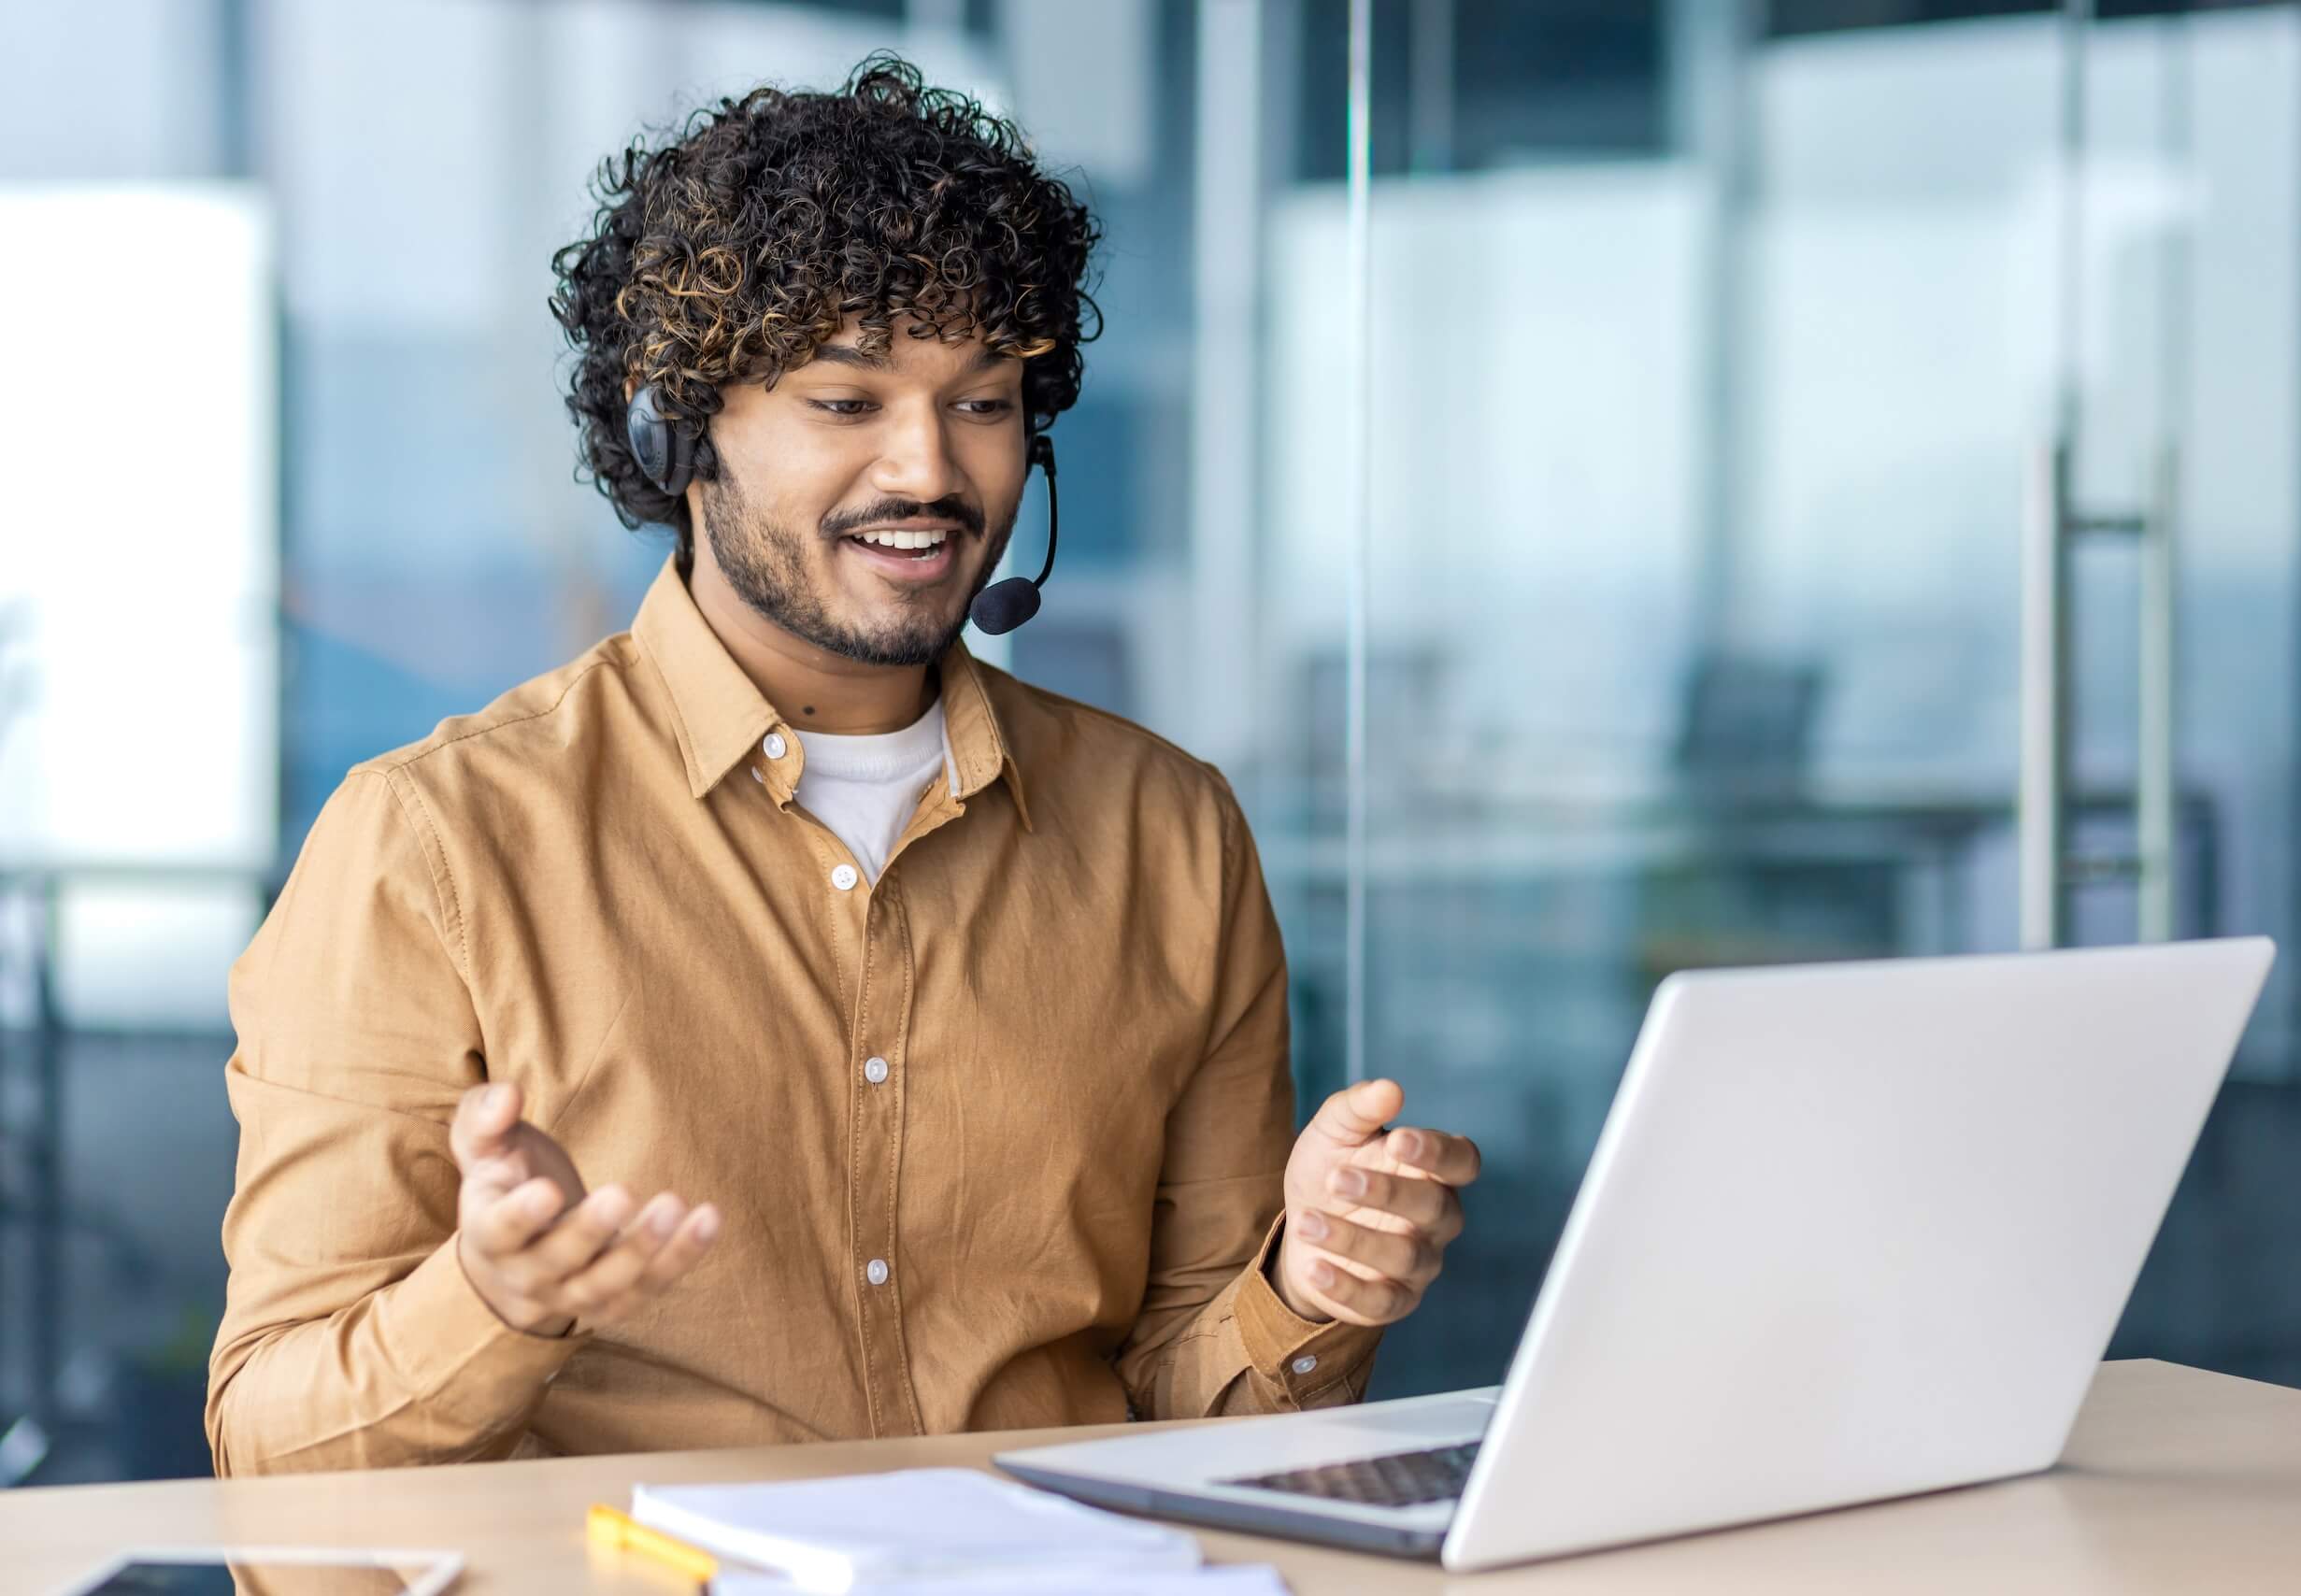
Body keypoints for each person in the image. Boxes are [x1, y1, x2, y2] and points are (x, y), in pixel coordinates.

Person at [206, 55, 1479, 1475]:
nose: (931, 470)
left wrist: (1308, 1283)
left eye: (983, 401)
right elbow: (275, 1459)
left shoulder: (1168, 831)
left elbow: (1192, 1426)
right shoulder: (434, 846)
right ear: (672, 430)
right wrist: (491, 1303)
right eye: (846, 400)